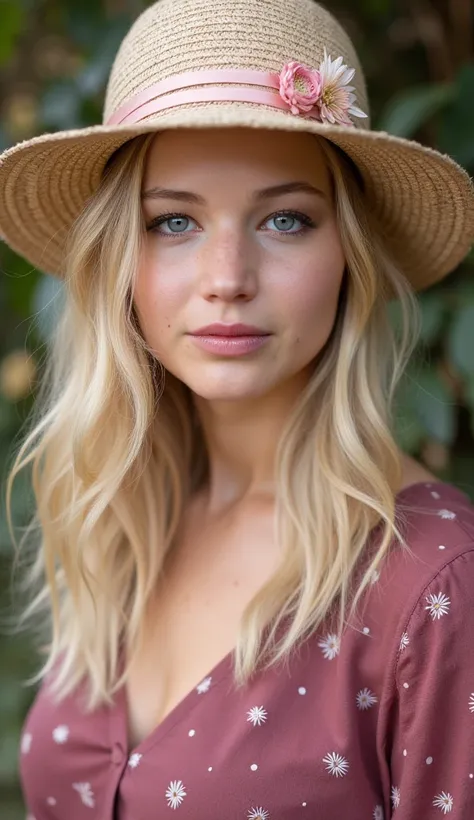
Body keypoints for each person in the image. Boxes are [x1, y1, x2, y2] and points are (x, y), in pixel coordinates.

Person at [1, 0, 474, 817]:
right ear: (122, 262)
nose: (228, 275)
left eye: (286, 219)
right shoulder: (124, 519)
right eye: (174, 221)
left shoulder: (434, 586)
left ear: (349, 257)